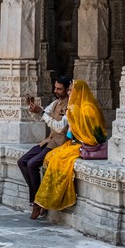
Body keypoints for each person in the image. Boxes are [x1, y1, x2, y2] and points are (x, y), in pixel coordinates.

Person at [32, 80, 107, 215]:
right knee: (50, 157)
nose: (69, 93)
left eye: (71, 91)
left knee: (59, 160)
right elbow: (69, 132)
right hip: (77, 143)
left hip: (90, 145)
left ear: (79, 92)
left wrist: (73, 117)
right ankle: (44, 200)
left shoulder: (88, 108)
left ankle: (48, 200)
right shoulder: (74, 107)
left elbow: (94, 135)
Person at [18, 76, 71, 218]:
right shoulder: (55, 103)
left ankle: (36, 203)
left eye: (59, 89)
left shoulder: (70, 106)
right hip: (49, 140)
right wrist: (34, 110)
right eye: (55, 88)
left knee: (32, 164)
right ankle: (38, 200)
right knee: (22, 162)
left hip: (61, 143)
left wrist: (41, 112)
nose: (56, 91)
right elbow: (43, 117)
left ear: (67, 89)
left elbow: (60, 128)